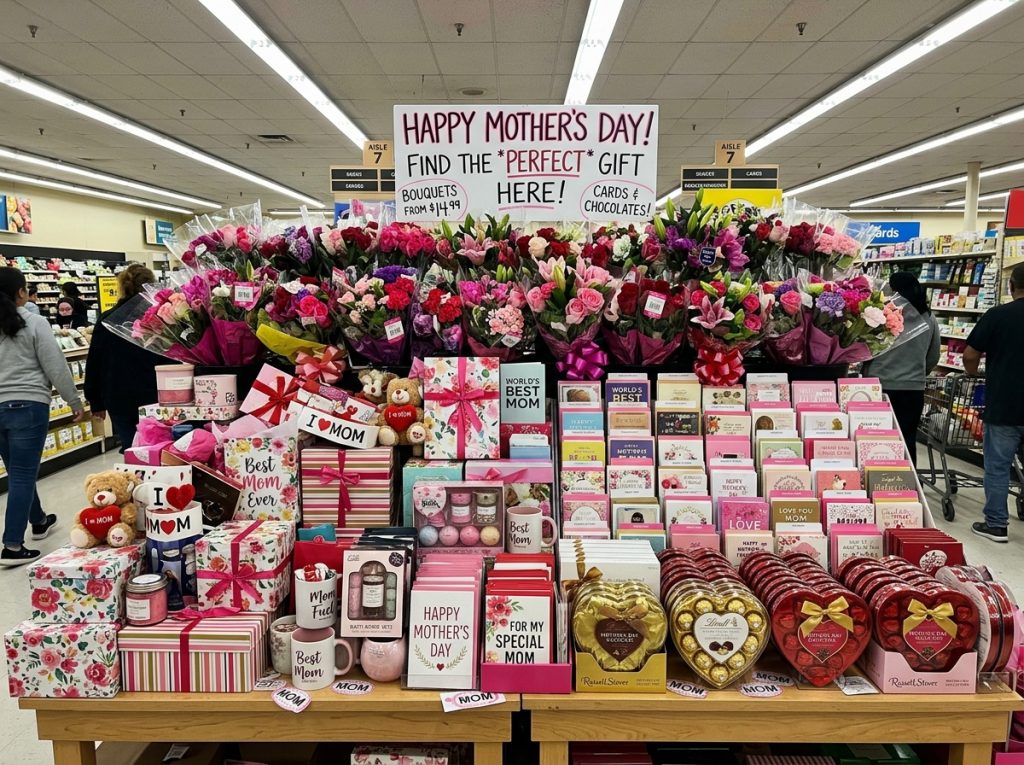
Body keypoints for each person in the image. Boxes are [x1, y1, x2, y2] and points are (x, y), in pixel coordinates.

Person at [0, 267, 85, 565]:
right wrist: (74, 400)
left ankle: (38, 520)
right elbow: (55, 365)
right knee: (23, 474)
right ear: (21, 292)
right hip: (28, 405)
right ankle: (12, 545)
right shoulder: (34, 322)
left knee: (17, 471)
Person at [963, 263, 1024, 543]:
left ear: (1011, 286)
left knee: (998, 466)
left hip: (1004, 404)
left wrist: (972, 374)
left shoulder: (998, 315)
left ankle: (997, 524)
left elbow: (971, 353)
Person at [862, 272, 940, 467]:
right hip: (912, 389)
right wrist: (917, 373)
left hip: (879, 386)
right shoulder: (929, 318)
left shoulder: (881, 315)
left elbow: (865, 350)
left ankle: (877, 480)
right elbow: (933, 356)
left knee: (876, 438)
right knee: (907, 438)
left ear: (893, 290)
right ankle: (909, 484)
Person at [85, 264, 159, 450]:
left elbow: (95, 361)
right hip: (155, 394)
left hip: (118, 396)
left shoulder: (107, 319)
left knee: (131, 448)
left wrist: (95, 401)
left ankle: (134, 477)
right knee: (159, 447)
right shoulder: (159, 317)